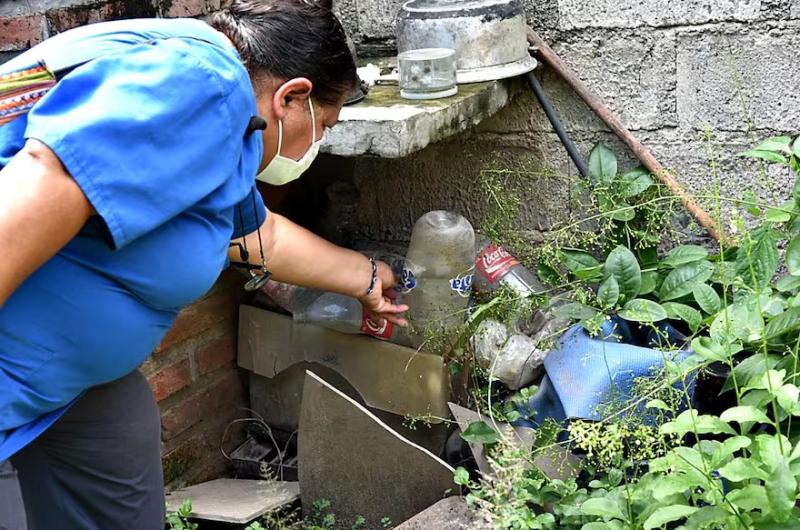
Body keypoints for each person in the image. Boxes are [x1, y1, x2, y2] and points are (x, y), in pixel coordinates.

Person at [0, 1, 408, 528]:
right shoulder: (207, 84)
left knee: (119, 437)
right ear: (293, 96)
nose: (320, 143)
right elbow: (46, 177)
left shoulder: (223, 124)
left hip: (59, 378)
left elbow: (256, 236)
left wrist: (368, 278)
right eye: (324, 124)